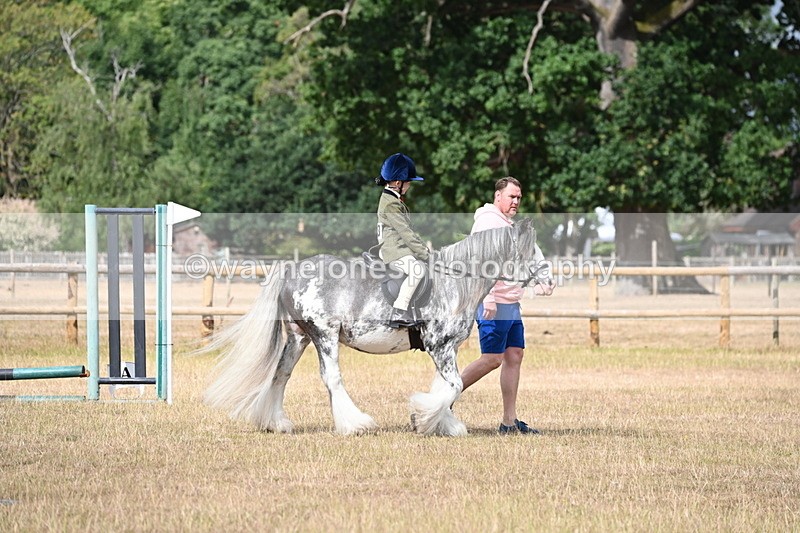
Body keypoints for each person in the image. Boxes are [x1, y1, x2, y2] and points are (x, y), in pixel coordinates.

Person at [459, 176, 553, 434]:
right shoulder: (488, 222)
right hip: (494, 302)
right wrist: (486, 296)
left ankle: (509, 422)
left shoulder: (511, 226)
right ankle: (441, 400)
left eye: (519, 198)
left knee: (514, 355)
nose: (516, 201)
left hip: (511, 302)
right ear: (497, 196)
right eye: (512, 196)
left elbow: (531, 254)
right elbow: (478, 260)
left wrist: (543, 280)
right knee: (491, 358)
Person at [375, 153, 430, 328]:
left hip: (398, 248)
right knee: (418, 270)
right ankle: (399, 310)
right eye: (409, 182)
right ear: (398, 183)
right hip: (393, 251)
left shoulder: (392, 199)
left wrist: (423, 248)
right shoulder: (391, 204)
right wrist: (424, 254)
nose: (410, 185)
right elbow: (405, 233)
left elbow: (410, 232)